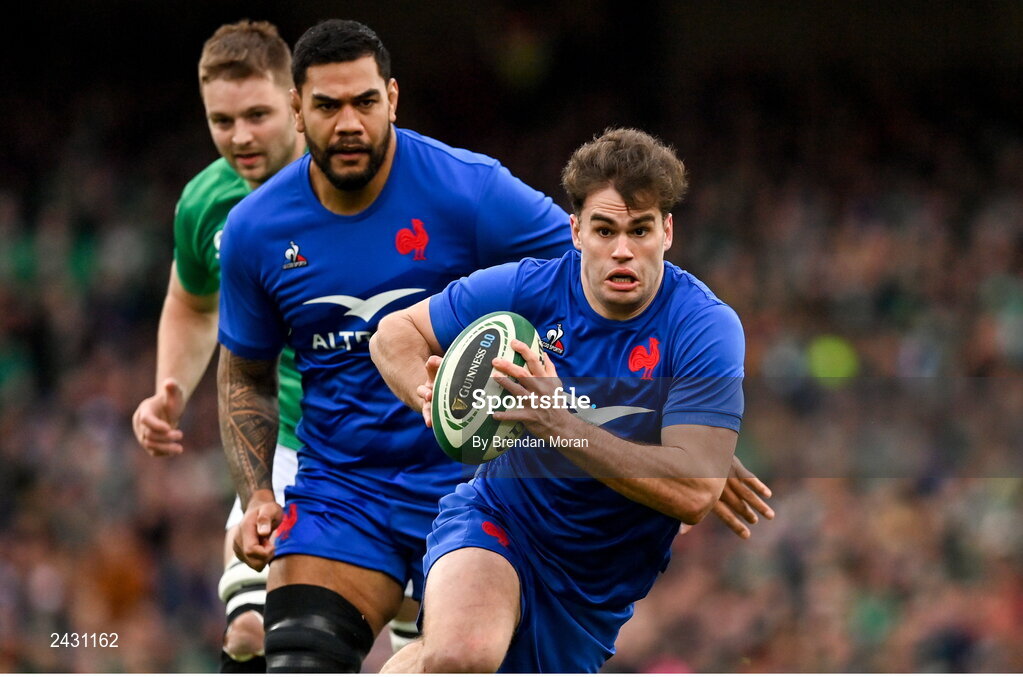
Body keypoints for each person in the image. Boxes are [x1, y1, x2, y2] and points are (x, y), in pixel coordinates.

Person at [215, 19, 576, 673]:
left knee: (463, 662)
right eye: (327, 106)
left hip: (476, 488)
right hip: (343, 490)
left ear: (392, 98)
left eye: (364, 102)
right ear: (296, 108)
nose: (348, 123)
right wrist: (259, 494)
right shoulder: (256, 230)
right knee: (295, 657)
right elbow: (245, 374)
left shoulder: (469, 190)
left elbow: (591, 277)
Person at [371, 127, 770, 672]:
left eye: (640, 229)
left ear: (667, 231)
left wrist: (561, 423)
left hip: (593, 593)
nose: (623, 250)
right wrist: (434, 394)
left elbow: (695, 491)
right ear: (576, 230)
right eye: (604, 230)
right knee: (462, 654)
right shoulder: (530, 289)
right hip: (502, 520)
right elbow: (394, 334)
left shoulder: (704, 326)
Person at [129, 20, 306, 672]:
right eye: (221, 120)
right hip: (283, 442)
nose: (239, 137)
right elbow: (192, 300)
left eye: (257, 115)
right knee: (249, 630)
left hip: (392, 439)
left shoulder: (360, 178)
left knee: (427, 640)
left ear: (295, 101)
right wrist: (169, 387)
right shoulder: (207, 202)